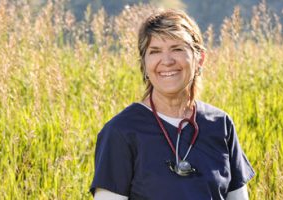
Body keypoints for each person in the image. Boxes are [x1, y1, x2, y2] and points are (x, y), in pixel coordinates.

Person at [90, 9, 255, 200]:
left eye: (177, 49)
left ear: (199, 58)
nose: (166, 61)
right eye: (155, 51)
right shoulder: (120, 132)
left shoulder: (220, 124)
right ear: (144, 63)